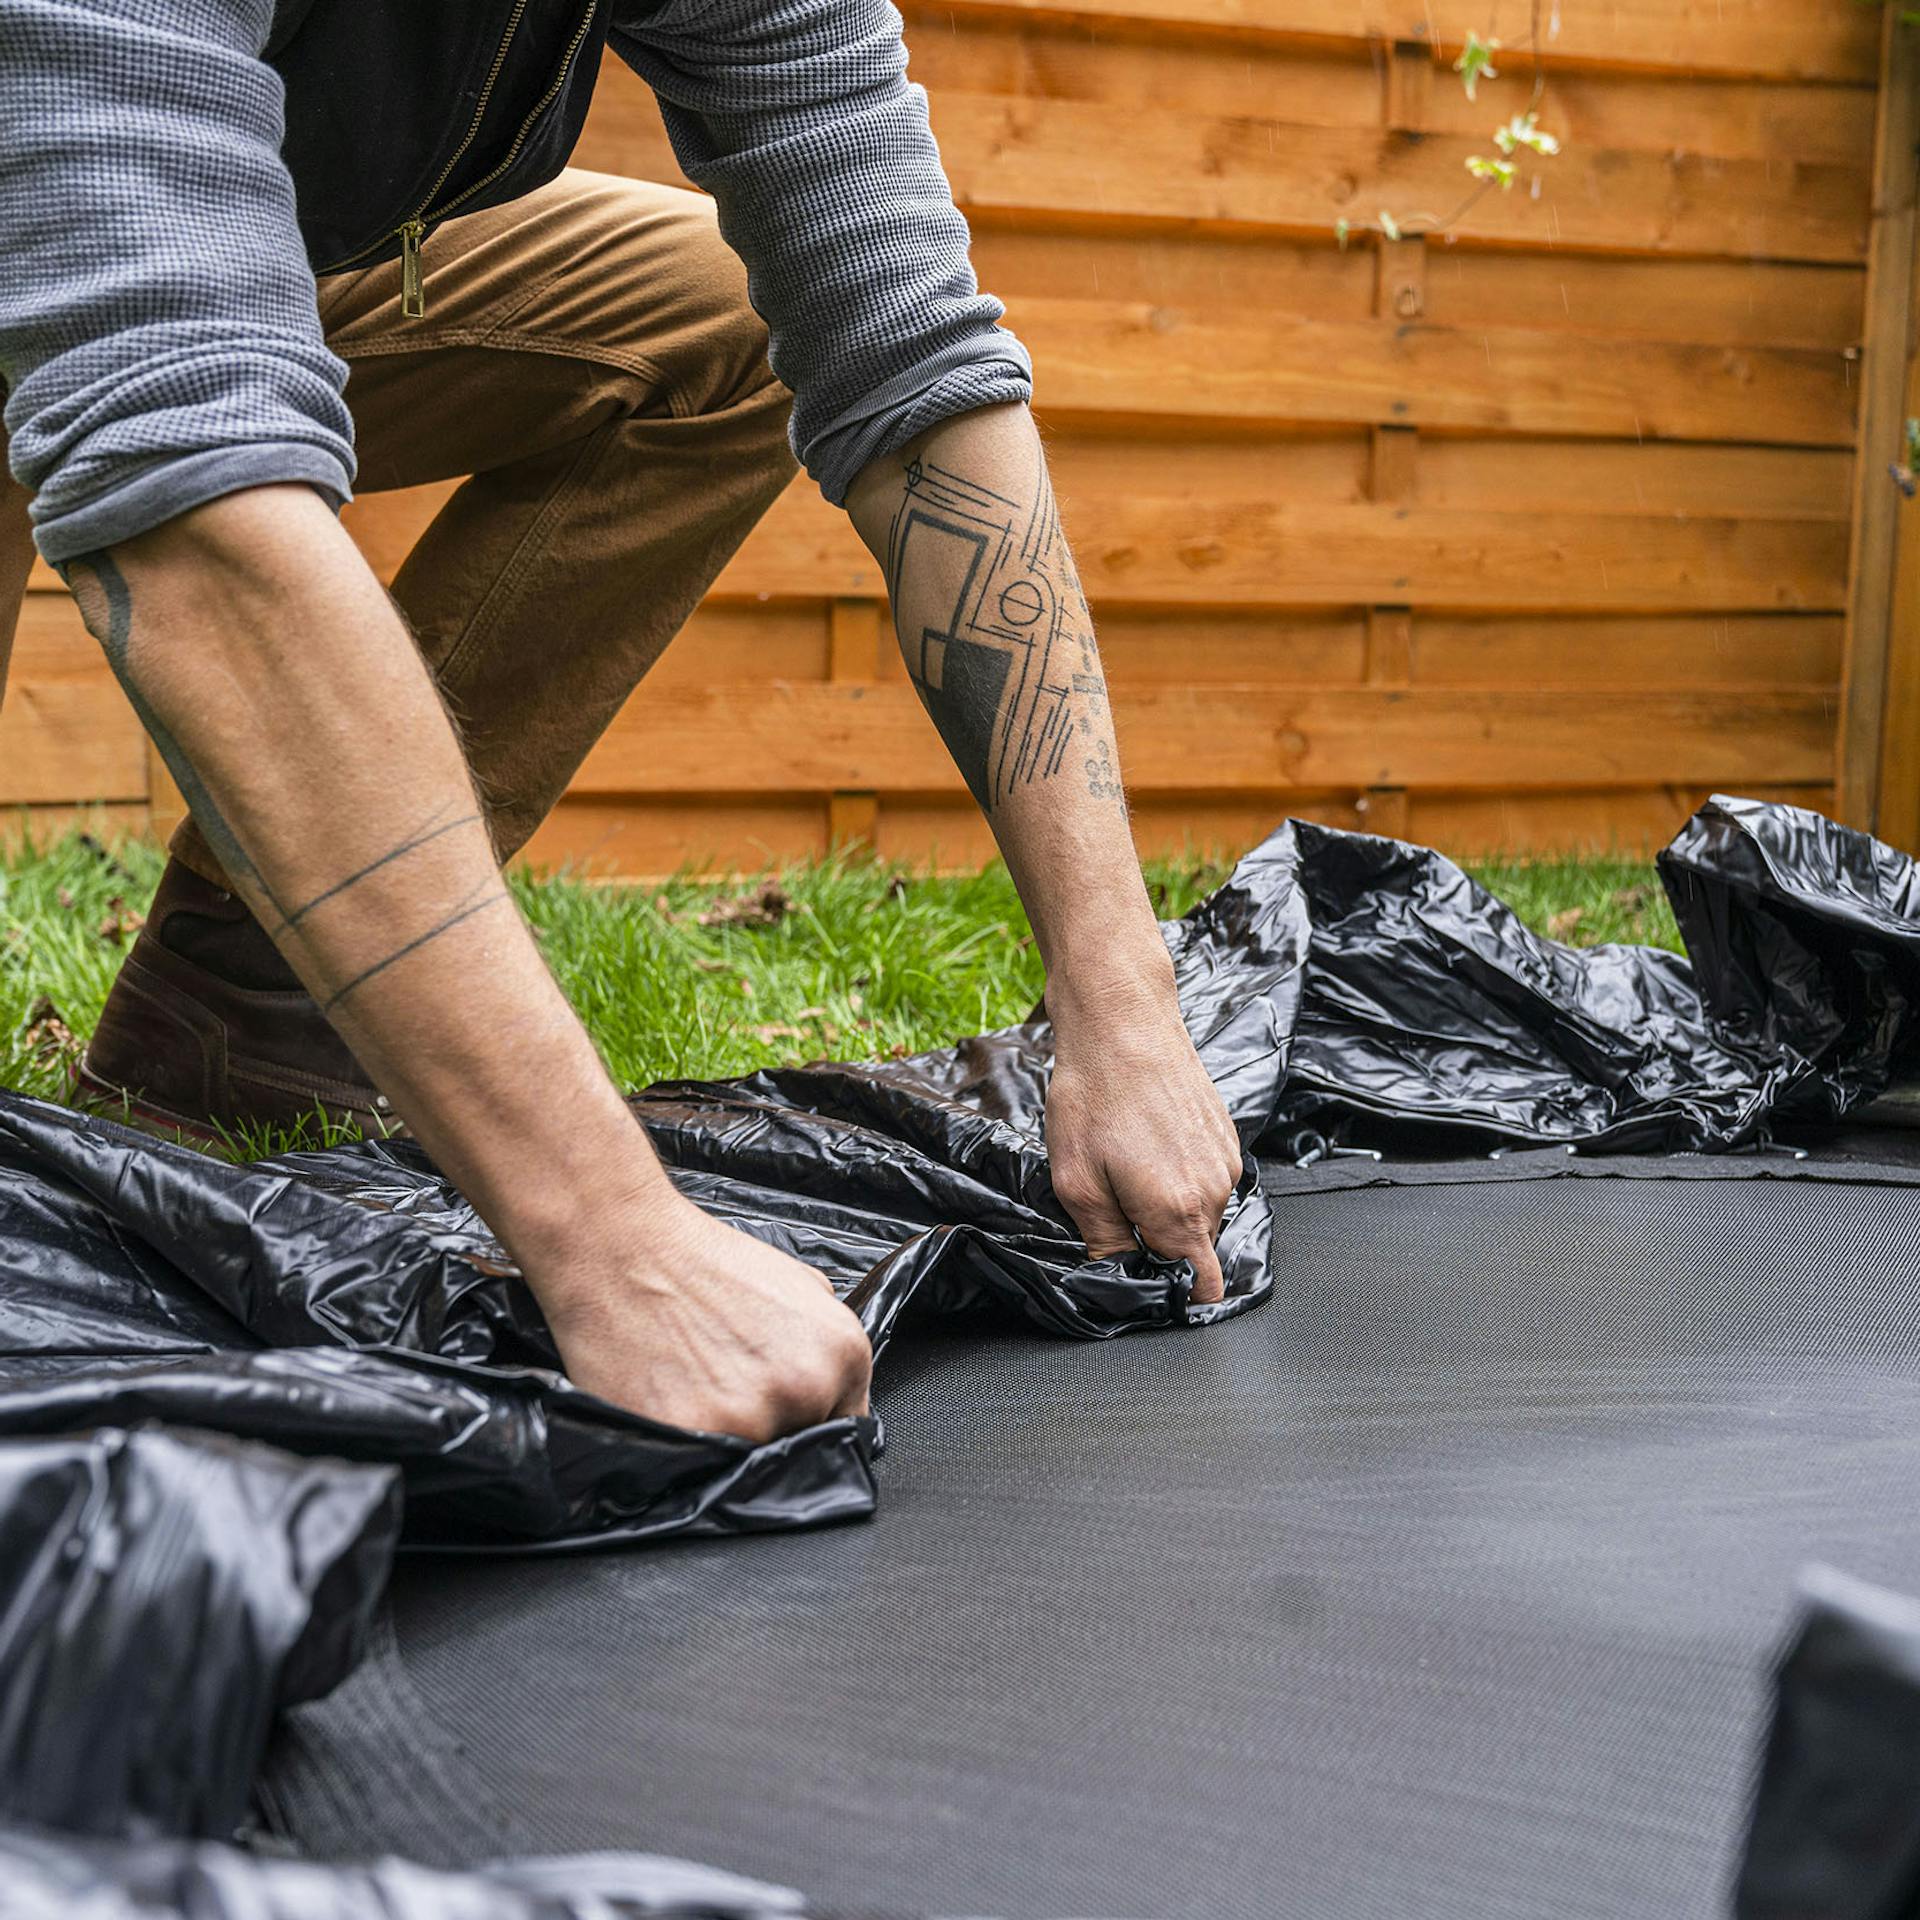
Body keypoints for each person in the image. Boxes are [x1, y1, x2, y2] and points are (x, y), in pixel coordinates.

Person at [0, 0, 1244, 1443]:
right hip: (53, 196)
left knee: (716, 319)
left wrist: (1120, 993)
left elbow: (908, 355)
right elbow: (181, 477)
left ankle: (237, 1014)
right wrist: (610, 1238)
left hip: (269, 238)